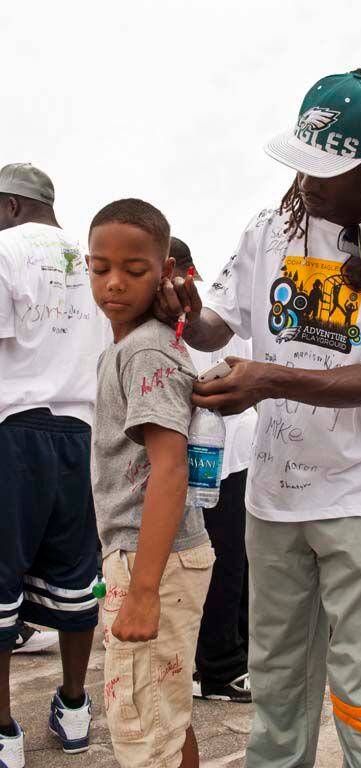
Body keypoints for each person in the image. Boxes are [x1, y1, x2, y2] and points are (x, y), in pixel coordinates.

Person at [157, 69, 361, 768]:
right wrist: (184, 308)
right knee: (279, 683)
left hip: (358, 496)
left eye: (329, 170)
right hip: (272, 495)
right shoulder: (271, 229)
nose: (310, 183)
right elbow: (220, 327)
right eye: (303, 163)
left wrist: (269, 378)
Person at [88, 200, 214, 768]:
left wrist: (142, 590)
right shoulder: (129, 345)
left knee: (145, 729)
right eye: (100, 267)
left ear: (164, 270)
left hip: (152, 560)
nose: (114, 282)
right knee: (163, 715)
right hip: (148, 554)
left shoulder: (143, 349)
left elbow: (170, 466)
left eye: (135, 270)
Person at [0, 163, 105, 767]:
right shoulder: (94, 258)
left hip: (14, 432)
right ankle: (73, 707)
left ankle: (4, 731)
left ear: (12, 205)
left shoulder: (6, 250)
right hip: (81, 436)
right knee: (73, 577)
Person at [171, 237, 256, 703]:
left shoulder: (205, 319)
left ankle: (224, 665)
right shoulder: (214, 319)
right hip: (217, 455)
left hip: (222, 454)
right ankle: (222, 667)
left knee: (227, 563)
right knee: (225, 563)